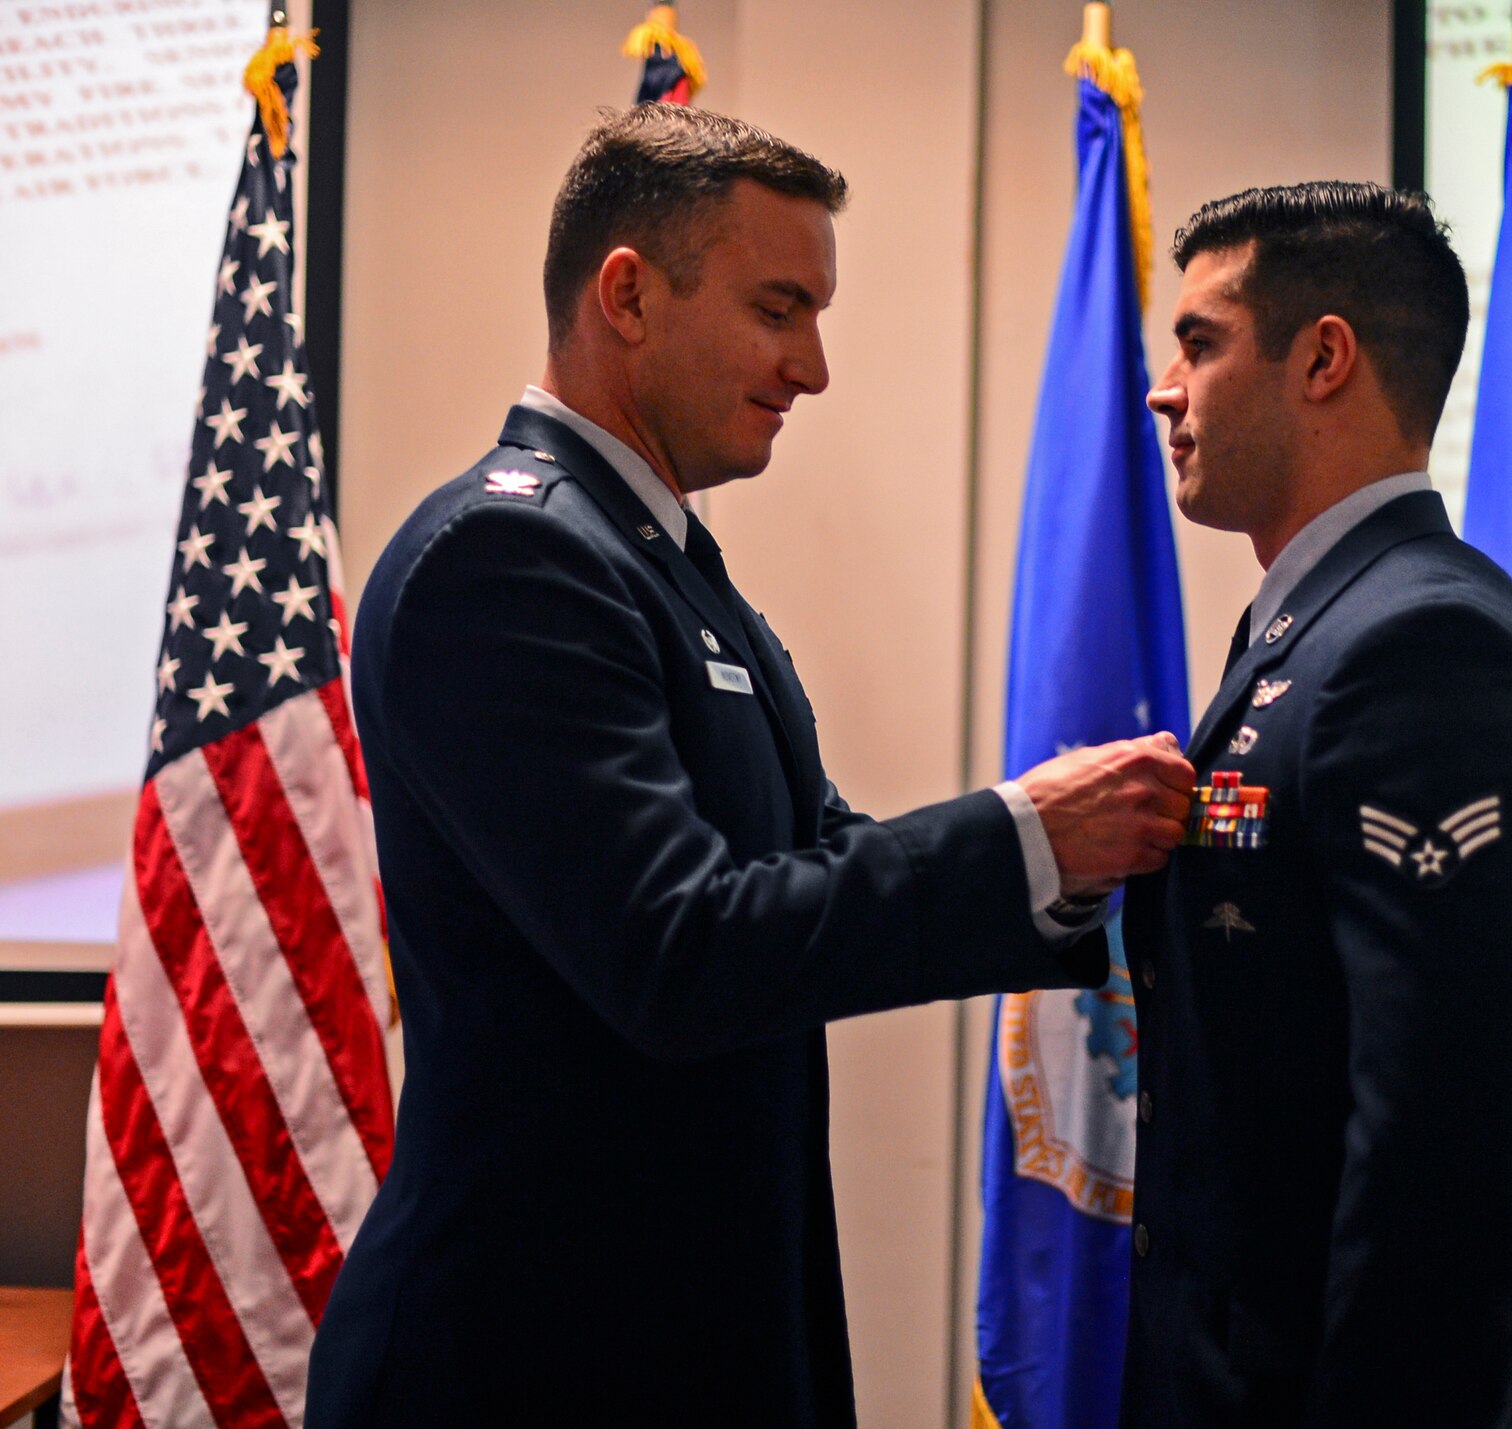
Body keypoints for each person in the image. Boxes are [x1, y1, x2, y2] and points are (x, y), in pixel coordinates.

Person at [305, 105, 1193, 1427]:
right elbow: (681, 952)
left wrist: (1055, 869)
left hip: (685, 1332)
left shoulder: (661, 566)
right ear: (628, 293)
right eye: (781, 308)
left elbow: (813, 871)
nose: (813, 366)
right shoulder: (506, 561)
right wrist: (1025, 835)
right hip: (528, 1355)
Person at [1118, 181, 1512, 1426]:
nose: (1161, 390)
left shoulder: (1422, 649)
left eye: (1197, 343)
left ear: (1322, 359)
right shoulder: (1320, 628)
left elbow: (1447, 1168)